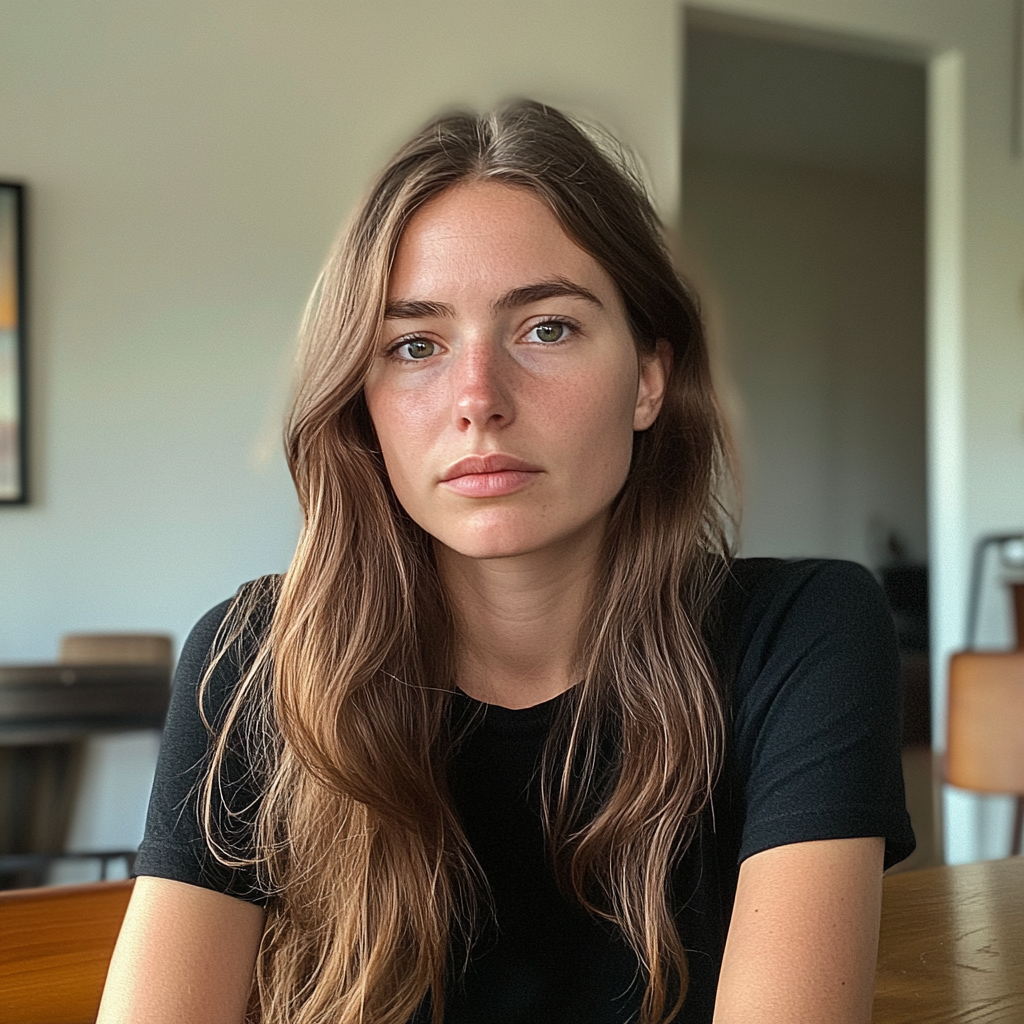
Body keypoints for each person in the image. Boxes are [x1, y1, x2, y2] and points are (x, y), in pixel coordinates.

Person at [97, 101, 914, 1024]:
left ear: (648, 377)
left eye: (547, 328)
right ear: (362, 403)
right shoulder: (251, 663)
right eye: (414, 346)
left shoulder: (803, 637)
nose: (478, 399)